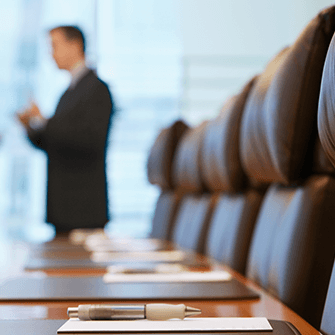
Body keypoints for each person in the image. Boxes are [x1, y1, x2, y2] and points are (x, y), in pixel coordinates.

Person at [17, 25, 114, 233]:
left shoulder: (97, 89)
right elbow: (55, 143)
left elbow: (88, 140)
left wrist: (44, 121)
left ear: (75, 45)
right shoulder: (67, 93)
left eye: (54, 46)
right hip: (63, 210)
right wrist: (31, 127)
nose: (51, 54)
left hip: (83, 210)